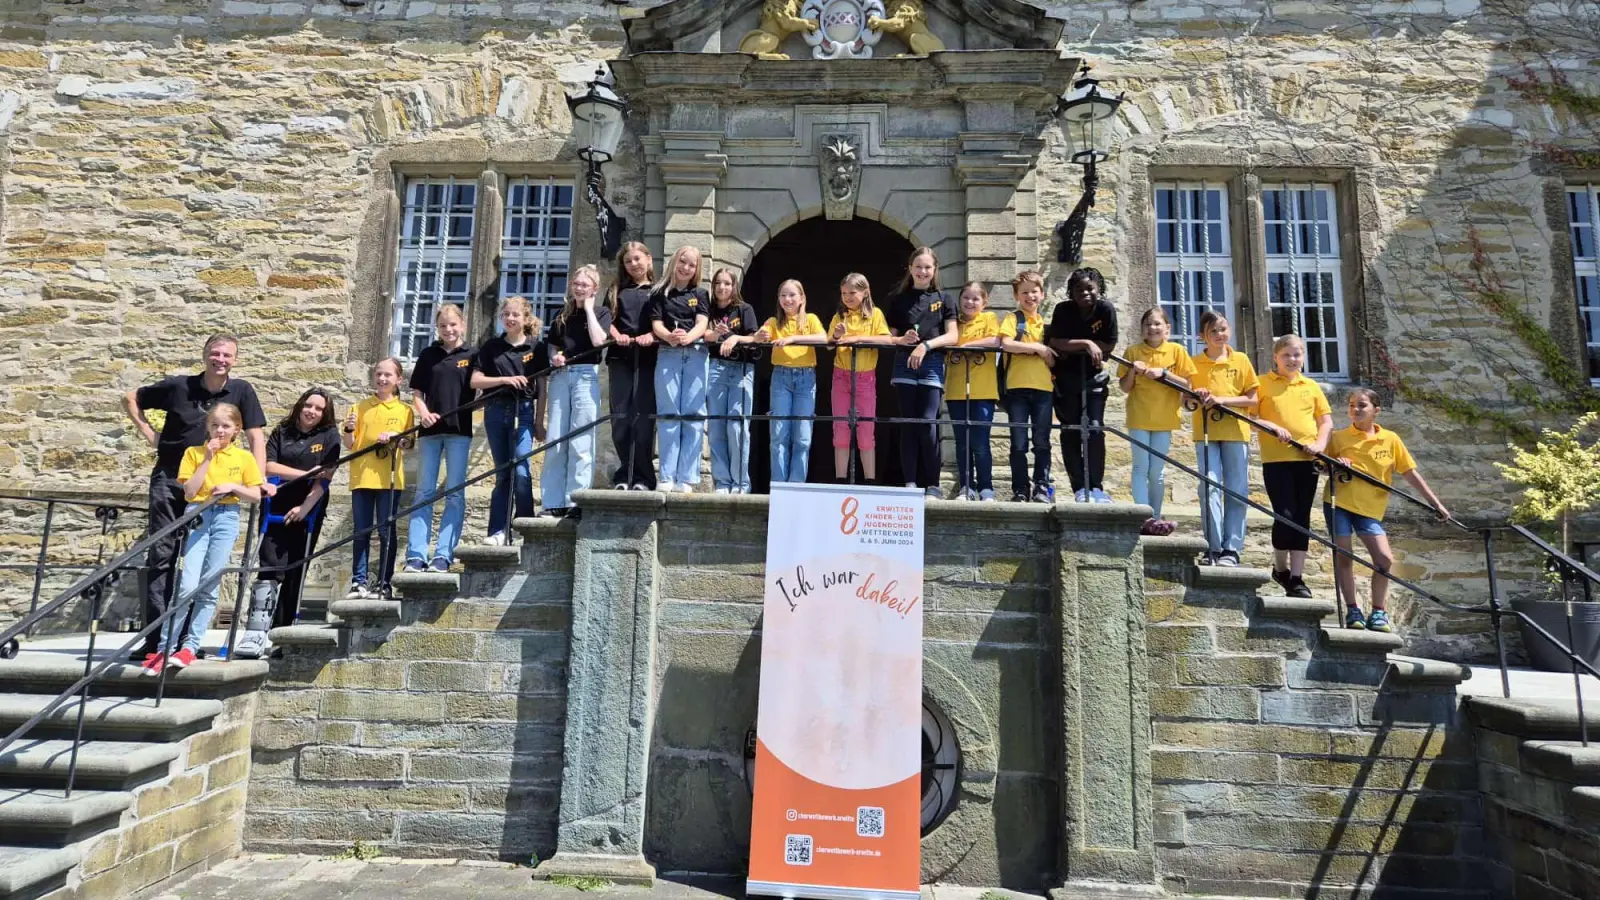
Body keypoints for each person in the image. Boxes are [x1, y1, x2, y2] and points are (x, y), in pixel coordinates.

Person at [124, 333, 268, 660]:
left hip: (210, 489)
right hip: (170, 479)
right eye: (215, 353)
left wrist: (257, 482)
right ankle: (156, 641)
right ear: (205, 355)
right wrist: (150, 434)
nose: (221, 359)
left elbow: (256, 437)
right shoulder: (178, 387)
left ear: (235, 359)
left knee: (201, 566)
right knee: (161, 555)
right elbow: (131, 397)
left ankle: (187, 643)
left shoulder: (241, 391)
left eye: (227, 355)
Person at [143, 403, 263, 674]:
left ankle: (189, 647)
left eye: (226, 426)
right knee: (185, 586)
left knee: (209, 586)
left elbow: (255, 495)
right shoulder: (194, 453)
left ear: (236, 430)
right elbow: (188, 491)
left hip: (226, 516)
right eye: (215, 425)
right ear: (207, 427)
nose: (220, 431)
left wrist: (234, 487)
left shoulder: (243, 458)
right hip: (198, 512)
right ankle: (164, 649)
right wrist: (207, 459)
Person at [1325, 389, 1450, 633]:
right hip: (1338, 503)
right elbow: (1319, 467)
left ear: (1376, 410)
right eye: (1351, 405)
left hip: (1370, 508)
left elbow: (1410, 473)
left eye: (1362, 405)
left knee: (1384, 560)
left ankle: (1378, 612)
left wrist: (1436, 504)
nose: (1355, 409)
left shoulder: (1390, 439)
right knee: (1344, 555)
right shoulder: (1339, 437)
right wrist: (1336, 464)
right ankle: (1352, 610)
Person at [235, 388, 340, 659]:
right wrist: (307, 473)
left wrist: (305, 508)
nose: (312, 412)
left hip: (307, 511)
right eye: (308, 405)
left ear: (324, 413)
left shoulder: (329, 436)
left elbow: (324, 479)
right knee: (269, 568)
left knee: (295, 571)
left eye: (318, 408)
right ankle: (256, 632)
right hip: (276, 506)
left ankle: (282, 634)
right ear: (300, 406)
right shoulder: (283, 431)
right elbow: (269, 466)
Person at [1253, 334, 1333, 599]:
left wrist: (1320, 444)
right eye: (1286, 355)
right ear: (1275, 357)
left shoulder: (1310, 386)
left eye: (1297, 354)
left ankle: (1297, 577)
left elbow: (1325, 422)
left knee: (1302, 518)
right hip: (1276, 460)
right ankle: (1280, 568)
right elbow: (1252, 416)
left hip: (1306, 459)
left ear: (1303, 358)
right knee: (1285, 515)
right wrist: (1273, 426)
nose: (1292, 359)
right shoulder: (1263, 383)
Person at [723, 279, 826, 485]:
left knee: (803, 437)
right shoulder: (773, 321)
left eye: (792, 295)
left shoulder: (811, 319)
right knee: (779, 434)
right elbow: (758, 338)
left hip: (806, 379)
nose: (787, 300)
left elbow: (824, 338)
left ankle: (796, 487)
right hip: (781, 378)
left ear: (801, 298)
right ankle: (779, 485)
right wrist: (738, 338)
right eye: (783, 296)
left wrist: (792, 339)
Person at [405, 305, 477, 572]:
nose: (448, 330)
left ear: (462, 324)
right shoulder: (429, 355)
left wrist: (472, 408)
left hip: (459, 431)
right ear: (438, 328)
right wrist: (423, 414)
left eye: (453, 325)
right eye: (443, 326)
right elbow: (417, 393)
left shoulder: (472, 355)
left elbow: (479, 389)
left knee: (455, 493)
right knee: (424, 491)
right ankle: (416, 555)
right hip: (430, 433)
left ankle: (443, 555)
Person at [472, 296, 547, 545]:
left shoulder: (536, 348)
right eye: (506, 314)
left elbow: (542, 388)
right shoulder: (491, 347)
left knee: (522, 470)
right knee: (503, 473)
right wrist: (504, 380)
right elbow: (475, 380)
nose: (510, 318)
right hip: (495, 410)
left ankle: (523, 525)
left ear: (525, 319)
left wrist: (538, 422)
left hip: (523, 410)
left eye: (515, 314)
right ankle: (498, 530)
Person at [885, 247, 959, 499]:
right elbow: (889, 338)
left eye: (927, 267)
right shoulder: (898, 299)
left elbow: (953, 335)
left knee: (928, 423)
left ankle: (933, 484)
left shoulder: (945, 298)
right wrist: (904, 340)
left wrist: (925, 345)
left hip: (932, 364)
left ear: (934, 270)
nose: (923, 271)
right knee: (908, 424)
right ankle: (909, 482)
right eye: (918, 266)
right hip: (904, 364)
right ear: (910, 268)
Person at [541, 265, 612, 517]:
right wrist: (554, 358)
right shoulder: (561, 314)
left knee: (581, 441)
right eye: (576, 284)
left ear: (594, 288)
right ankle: (552, 502)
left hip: (585, 375)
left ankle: (575, 501)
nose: (579, 289)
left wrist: (590, 309)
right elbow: (552, 346)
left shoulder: (602, 312)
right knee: (556, 441)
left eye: (584, 285)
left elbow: (598, 341)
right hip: (561, 376)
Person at [1189, 311, 1259, 567]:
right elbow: (1185, 400)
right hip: (1205, 432)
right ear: (1202, 336)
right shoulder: (1193, 363)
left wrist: (1222, 400)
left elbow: (1252, 400)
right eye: (1213, 331)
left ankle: (1232, 549)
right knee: (1209, 488)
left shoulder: (1240, 360)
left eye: (1223, 329)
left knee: (1237, 491)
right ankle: (1213, 547)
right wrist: (1196, 395)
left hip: (1236, 432)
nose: (1220, 335)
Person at [342, 357, 416, 600]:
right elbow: (351, 444)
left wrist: (397, 436)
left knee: (386, 531)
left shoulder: (404, 411)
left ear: (398, 380)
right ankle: (359, 582)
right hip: (362, 476)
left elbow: (408, 444)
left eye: (388, 375)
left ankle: (384, 582)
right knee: (360, 531)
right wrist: (349, 430)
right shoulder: (359, 407)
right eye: (379, 374)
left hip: (389, 479)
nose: (382, 379)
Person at [1118, 307, 1195, 535]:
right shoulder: (1132, 351)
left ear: (1167, 329)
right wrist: (1133, 371)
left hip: (1165, 418)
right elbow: (1124, 387)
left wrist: (1164, 373)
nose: (1153, 328)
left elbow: (1187, 385)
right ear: (1142, 329)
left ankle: (1156, 516)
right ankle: (1144, 518)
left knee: (1157, 472)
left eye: (1157, 324)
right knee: (1141, 467)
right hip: (1139, 416)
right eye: (1148, 324)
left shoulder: (1177, 351)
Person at [1048, 268, 1117, 503]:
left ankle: (1096, 486)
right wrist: (1087, 344)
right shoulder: (1063, 310)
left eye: (1090, 288)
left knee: (1095, 430)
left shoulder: (1105, 309)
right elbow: (1055, 341)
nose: (1085, 293)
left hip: (1094, 377)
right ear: (1071, 292)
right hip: (1066, 379)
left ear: (1099, 289)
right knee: (1071, 430)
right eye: (1079, 290)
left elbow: (1109, 343)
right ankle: (1079, 487)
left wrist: (1077, 347)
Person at [651, 245, 711, 493]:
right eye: (683, 262)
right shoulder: (659, 293)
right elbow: (656, 324)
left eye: (692, 265)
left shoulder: (700, 293)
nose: (686, 268)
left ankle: (687, 477)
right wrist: (670, 337)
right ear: (675, 262)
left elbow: (702, 322)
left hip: (695, 353)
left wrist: (689, 337)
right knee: (668, 412)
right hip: (668, 353)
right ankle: (666, 475)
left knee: (693, 414)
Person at [999, 270, 1056, 503]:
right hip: (1017, 389)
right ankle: (1020, 488)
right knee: (1019, 443)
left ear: (1041, 295)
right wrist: (1038, 349)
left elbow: (1054, 359)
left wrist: (1042, 351)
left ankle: (1042, 486)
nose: (1030, 296)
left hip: (1044, 388)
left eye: (1034, 292)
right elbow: (1006, 344)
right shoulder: (1013, 319)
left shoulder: (1047, 325)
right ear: (1016, 296)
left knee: (1042, 442)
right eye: (1024, 293)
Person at [828, 273, 891, 483]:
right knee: (840, 429)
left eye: (852, 292)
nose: (847, 297)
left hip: (865, 378)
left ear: (865, 292)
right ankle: (840, 479)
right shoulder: (839, 316)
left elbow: (885, 340)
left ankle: (869, 480)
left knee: (866, 430)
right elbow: (828, 344)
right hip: (841, 375)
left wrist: (858, 338)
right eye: (844, 293)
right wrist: (837, 336)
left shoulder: (876, 315)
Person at [607, 242, 659, 491]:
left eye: (637, 259)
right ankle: (623, 474)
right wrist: (616, 335)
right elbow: (606, 320)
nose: (633, 264)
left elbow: (664, 322)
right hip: (621, 357)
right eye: (628, 261)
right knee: (620, 417)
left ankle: (643, 477)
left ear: (648, 260)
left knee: (643, 419)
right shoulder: (617, 290)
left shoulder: (658, 290)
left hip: (648, 359)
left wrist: (652, 335)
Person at [945, 281, 1001, 501]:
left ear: (984, 302)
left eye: (975, 298)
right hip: (956, 390)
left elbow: (996, 340)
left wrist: (967, 346)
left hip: (983, 390)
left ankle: (986, 486)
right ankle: (966, 486)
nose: (970, 302)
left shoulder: (988, 319)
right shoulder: (953, 324)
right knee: (962, 442)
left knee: (980, 442)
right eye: (966, 297)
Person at [707, 268, 760, 494]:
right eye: (718, 283)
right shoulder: (707, 310)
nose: (722, 287)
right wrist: (717, 334)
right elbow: (702, 335)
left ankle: (740, 483)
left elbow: (755, 338)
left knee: (737, 428)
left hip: (741, 369)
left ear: (734, 286)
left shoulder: (744, 309)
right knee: (716, 427)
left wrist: (734, 336)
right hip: (716, 369)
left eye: (727, 283)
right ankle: (722, 482)